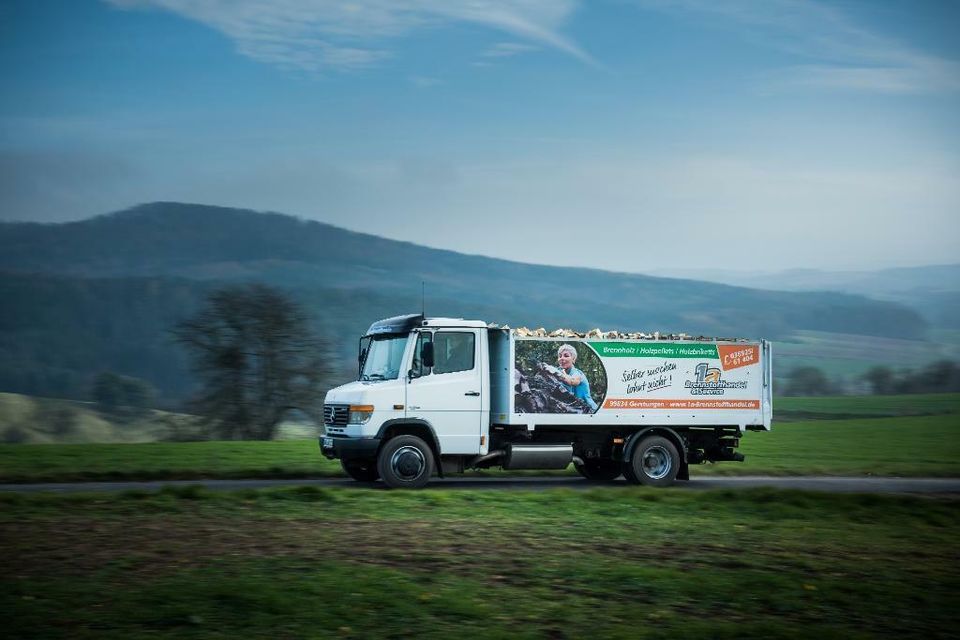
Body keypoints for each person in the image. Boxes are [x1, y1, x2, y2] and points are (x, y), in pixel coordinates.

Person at [556, 344, 598, 411]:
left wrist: (562, 375)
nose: (562, 358)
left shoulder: (577, 373)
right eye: (560, 356)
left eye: (566, 356)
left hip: (590, 410)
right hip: (576, 409)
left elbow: (573, 381)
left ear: (573, 359)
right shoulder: (561, 372)